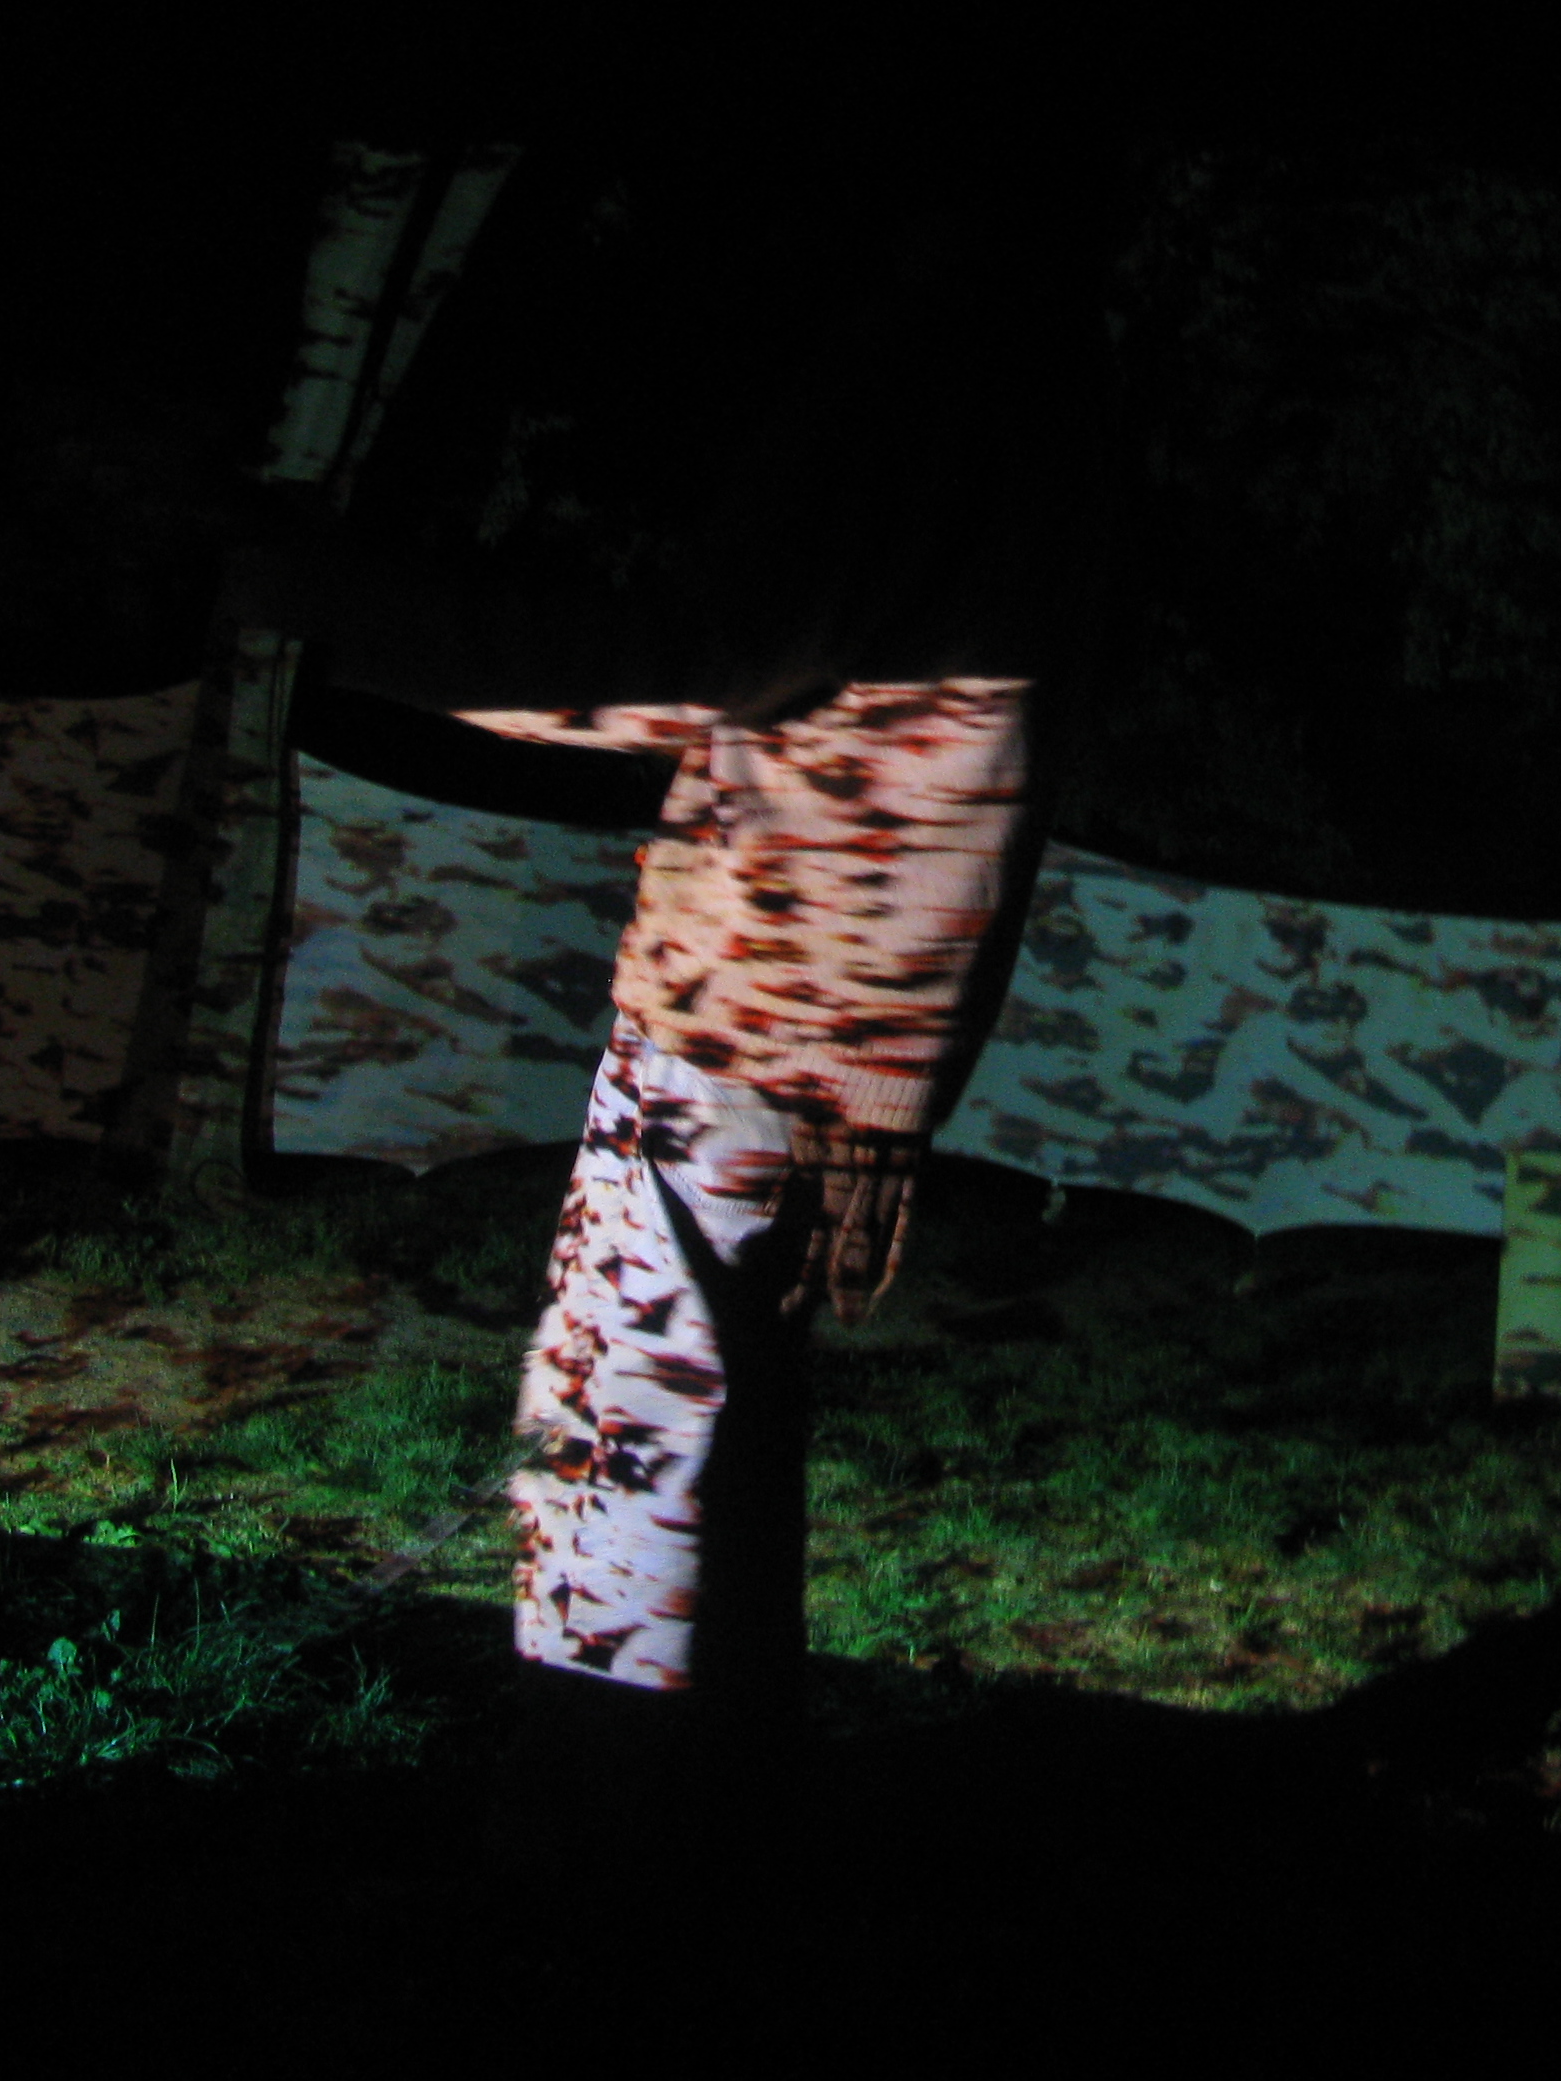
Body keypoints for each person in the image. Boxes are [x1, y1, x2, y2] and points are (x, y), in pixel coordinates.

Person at [242, 108, 1131, 1863]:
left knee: (630, 1439)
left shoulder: (919, 381)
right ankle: (691, 1824)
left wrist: (335, 605)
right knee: (703, 1444)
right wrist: (888, 1070)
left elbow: (717, 669)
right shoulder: (1030, 381)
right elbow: (910, 725)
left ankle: (605, 1840)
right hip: (807, 1011)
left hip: (757, 1012)